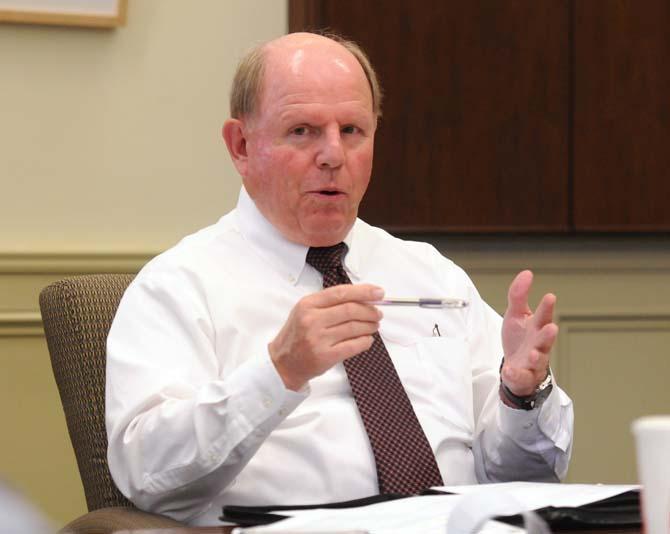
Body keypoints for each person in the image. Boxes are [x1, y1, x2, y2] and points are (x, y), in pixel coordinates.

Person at [106, 32, 573, 526]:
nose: (333, 155)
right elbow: (148, 476)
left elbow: (525, 474)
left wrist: (521, 396)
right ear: (241, 145)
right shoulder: (180, 285)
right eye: (303, 131)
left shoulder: (431, 273)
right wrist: (277, 372)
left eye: (352, 130)